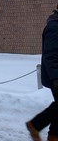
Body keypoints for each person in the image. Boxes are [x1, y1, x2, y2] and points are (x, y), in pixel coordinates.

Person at [26, 7, 58, 141]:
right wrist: (56, 77)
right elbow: (50, 55)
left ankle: (53, 135)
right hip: (55, 76)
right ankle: (35, 124)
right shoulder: (54, 26)